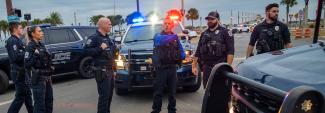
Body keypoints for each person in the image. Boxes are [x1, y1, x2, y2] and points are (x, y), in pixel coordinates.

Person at [192, 11, 235, 88]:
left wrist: (228, 67)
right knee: (207, 89)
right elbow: (198, 51)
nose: (209, 21)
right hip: (207, 67)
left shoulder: (226, 32)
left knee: (220, 90)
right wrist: (194, 66)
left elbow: (230, 51)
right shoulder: (204, 34)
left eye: (212, 19)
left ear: (218, 20)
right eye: (208, 19)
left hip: (220, 68)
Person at [151, 18, 185, 113]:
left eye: (169, 23)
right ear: (162, 25)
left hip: (172, 69)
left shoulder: (175, 39)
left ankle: (172, 110)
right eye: (165, 23)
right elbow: (162, 41)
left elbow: (182, 52)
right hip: (161, 69)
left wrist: (182, 56)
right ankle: (156, 110)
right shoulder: (158, 36)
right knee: (158, 93)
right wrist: (176, 36)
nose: (166, 25)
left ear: (172, 25)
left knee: (172, 93)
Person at [84, 17, 115, 113]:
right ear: (102, 25)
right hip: (101, 71)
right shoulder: (94, 38)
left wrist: (115, 70)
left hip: (110, 70)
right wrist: (99, 49)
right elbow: (85, 51)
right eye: (109, 24)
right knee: (104, 97)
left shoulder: (107, 38)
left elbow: (111, 55)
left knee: (109, 96)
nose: (111, 26)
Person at [6, 22, 34, 113]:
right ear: (15, 29)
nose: (22, 29)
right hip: (18, 72)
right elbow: (15, 57)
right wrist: (26, 52)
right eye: (21, 28)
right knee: (20, 96)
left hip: (23, 71)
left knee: (28, 95)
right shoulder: (12, 41)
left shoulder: (18, 40)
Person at [24, 26, 53, 113]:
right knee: (40, 106)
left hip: (47, 77)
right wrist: (35, 55)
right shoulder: (30, 46)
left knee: (49, 101)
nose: (42, 33)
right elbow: (27, 64)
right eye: (39, 31)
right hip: (38, 79)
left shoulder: (42, 44)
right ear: (33, 34)